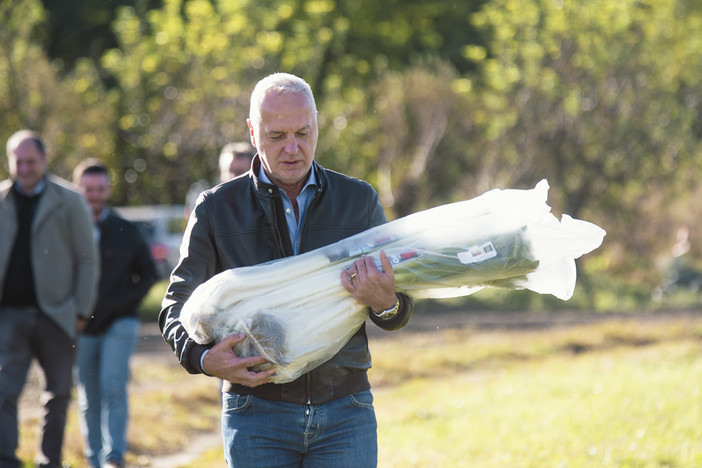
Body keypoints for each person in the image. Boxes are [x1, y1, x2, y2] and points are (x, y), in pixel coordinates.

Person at [160, 72, 414, 467]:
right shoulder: (215, 208)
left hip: (346, 409)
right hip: (255, 411)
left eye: (303, 132)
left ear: (317, 126)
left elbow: (399, 308)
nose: (293, 148)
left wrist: (385, 304)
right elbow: (176, 303)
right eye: (277, 136)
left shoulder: (359, 200)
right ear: (252, 131)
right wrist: (202, 358)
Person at [0, 130, 99, 468]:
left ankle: (49, 461)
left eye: (31, 161)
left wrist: (80, 311)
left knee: (57, 395)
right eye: (18, 161)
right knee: (3, 391)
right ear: (10, 162)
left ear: (43, 161)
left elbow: (88, 258)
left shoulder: (69, 200)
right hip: (8, 315)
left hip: (57, 314)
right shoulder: (1, 200)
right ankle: (6, 460)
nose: (24, 168)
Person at [72, 159, 158, 468]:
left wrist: (119, 303)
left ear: (108, 190)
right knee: (87, 394)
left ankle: (114, 457)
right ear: (77, 190)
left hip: (120, 322)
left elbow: (148, 274)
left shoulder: (127, 230)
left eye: (100, 189)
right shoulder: (67, 230)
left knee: (112, 385)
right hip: (80, 325)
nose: (94, 196)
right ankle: (92, 458)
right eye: (88, 190)